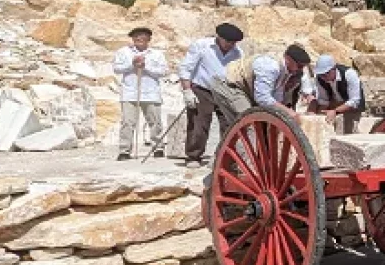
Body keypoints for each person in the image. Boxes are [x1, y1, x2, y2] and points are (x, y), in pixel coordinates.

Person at [178, 23, 245, 169]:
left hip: (225, 90)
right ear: (219, 38)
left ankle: (226, 158)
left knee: (229, 124)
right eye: (228, 42)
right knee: (199, 123)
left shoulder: (238, 53)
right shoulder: (201, 46)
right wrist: (187, 91)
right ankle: (194, 156)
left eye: (233, 43)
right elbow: (186, 68)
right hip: (202, 89)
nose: (230, 45)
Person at [210, 44, 316, 126]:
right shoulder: (270, 67)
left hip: (246, 87)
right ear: (288, 59)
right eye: (300, 65)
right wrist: (289, 112)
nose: (301, 69)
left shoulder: (287, 70)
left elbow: (276, 96)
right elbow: (262, 98)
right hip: (229, 84)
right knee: (248, 122)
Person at [112, 27, 168, 161]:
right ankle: (124, 150)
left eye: (142, 36)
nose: (139, 38)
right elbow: (116, 68)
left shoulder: (157, 54)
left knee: (155, 122)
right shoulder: (123, 52)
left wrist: (146, 66)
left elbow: (163, 71)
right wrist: (131, 65)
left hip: (151, 92)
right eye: (136, 36)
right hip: (130, 92)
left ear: (149, 39)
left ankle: (158, 147)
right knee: (127, 122)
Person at [308, 54, 364, 134]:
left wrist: (335, 111)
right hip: (334, 105)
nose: (323, 77)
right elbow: (323, 100)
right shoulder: (320, 78)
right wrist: (318, 116)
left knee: (349, 133)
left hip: (351, 108)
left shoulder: (349, 74)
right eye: (321, 74)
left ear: (334, 69)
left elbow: (354, 101)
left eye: (326, 73)